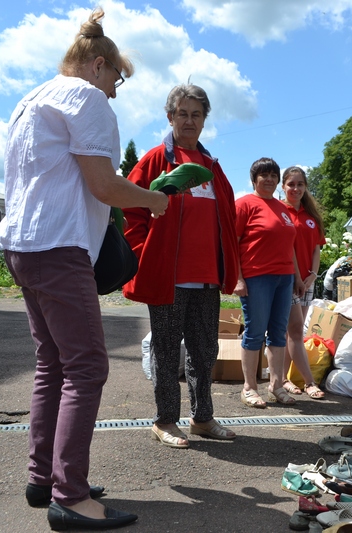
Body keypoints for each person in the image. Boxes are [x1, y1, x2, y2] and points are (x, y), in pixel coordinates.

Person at [0, 8, 168, 530]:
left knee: (53, 363)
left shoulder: (31, 100)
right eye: (117, 78)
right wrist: (153, 200)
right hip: (58, 245)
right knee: (87, 366)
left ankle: (43, 476)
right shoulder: (87, 97)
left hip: (23, 244)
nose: (115, 91)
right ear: (97, 65)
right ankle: (69, 496)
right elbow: (104, 186)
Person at [122, 84, 239, 448]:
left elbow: (229, 219)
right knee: (167, 350)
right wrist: (144, 253)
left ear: (204, 120)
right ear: (169, 116)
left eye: (196, 114)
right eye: (182, 113)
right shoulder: (157, 159)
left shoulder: (212, 167)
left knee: (205, 351)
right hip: (168, 279)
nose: (189, 120)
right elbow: (130, 208)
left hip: (206, 278)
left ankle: (202, 419)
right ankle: (165, 421)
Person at [235, 157, 305, 408]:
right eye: (264, 175)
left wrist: (296, 276)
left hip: (284, 278)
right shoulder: (244, 204)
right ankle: (249, 388)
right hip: (256, 277)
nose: (269, 179)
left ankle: (276, 385)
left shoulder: (283, 208)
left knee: (278, 333)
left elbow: (291, 247)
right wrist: (238, 278)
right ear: (254, 179)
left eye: (273, 175)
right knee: (255, 332)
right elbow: (231, 243)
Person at [280, 167, 326, 400]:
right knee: (296, 330)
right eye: (291, 184)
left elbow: (316, 247)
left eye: (300, 184)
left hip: (307, 281)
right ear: (283, 186)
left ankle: (282, 379)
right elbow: (288, 249)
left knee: (293, 333)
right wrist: (298, 278)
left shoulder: (311, 216)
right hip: (289, 279)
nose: (295, 189)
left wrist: (313, 276)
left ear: (305, 186)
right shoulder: (281, 212)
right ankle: (309, 382)